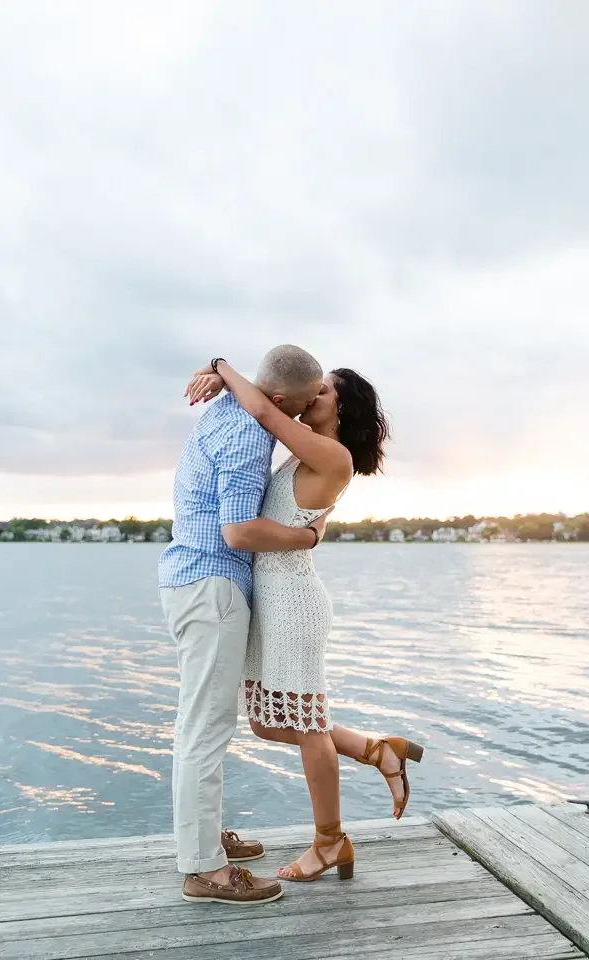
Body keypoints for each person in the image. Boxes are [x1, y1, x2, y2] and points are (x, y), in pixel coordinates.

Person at [186, 358, 424, 885]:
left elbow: (265, 410)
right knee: (267, 722)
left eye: (325, 390)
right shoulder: (306, 453)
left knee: (310, 725)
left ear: (344, 406)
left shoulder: (332, 454)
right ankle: (375, 749)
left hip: (294, 602)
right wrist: (217, 371)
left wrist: (223, 365)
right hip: (271, 599)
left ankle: (330, 841)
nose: (314, 393)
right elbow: (272, 399)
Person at [159, 344, 331, 906]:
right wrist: (306, 537)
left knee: (203, 724)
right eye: (302, 407)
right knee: (205, 730)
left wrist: (216, 367)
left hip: (193, 581)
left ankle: (206, 841)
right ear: (277, 400)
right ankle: (205, 871)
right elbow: (238, 531)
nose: (302, 418)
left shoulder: (230, 408)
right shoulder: (249, 435)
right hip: (213, 586)